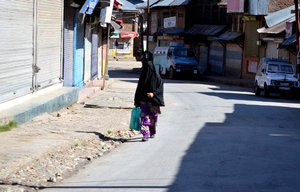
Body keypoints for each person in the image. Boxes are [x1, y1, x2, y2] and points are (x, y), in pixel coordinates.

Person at [134, 51, 165, 141]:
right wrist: (136, 101)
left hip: (153, 101)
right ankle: (145, 134)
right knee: (144, 117)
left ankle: (152, 132)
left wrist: (153, 94)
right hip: (143, 99)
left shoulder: (156, 75)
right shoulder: (143, 74)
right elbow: (139, 87)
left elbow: (160, 86)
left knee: (153, 118)